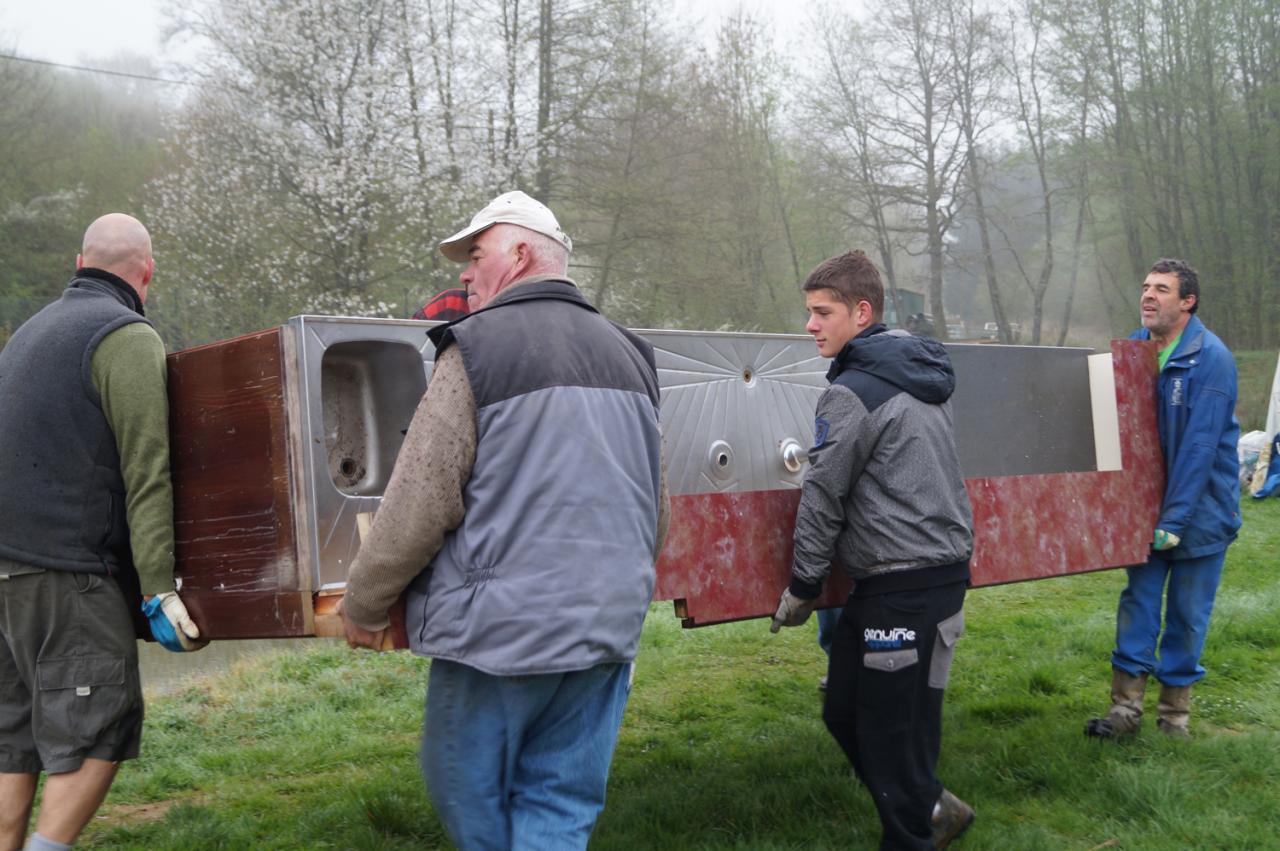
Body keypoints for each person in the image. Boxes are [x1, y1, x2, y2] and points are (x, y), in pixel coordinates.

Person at [338, 190, 668, 849]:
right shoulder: (633, 353)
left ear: (519, 255)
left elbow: (420, 498)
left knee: (465, 785)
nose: (465, 272)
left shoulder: (475, 348)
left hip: (502, 636)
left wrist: (364, 601)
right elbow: (655, 511)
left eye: (476, 253)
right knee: (560, 801)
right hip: (607, 626)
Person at [0, 214, 205, 851]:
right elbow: (148, 470)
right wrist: (158, 588)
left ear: (79, 261)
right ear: (148, 273)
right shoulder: (125, 335)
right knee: (101, 725)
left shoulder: (27, 335)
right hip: (65, 573)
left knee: (13, 740)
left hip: (4, 574)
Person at [770, 250, 976, 850]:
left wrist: (804, 587)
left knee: (888, 732)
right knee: (850, 711)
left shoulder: (852, 392)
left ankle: (914, 831)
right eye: (810, 312)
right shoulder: (921, 375)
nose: (810, 325)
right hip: (932, 577)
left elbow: (822, 493)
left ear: (862, 313)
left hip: (903, 583)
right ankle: (933, 807)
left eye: (822, 313)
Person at [1085, 259, 1240, 739]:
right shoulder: (1134, 349)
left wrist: (1174, 519)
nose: (1148, 295)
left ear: (1187, 301)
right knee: (1138, 604)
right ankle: (1124, 711)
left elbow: (1200, 447)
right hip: (1146, 510)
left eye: (1162, 289)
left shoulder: (1211, 357)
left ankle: (1174, 718)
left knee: (1187, 617)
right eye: (1146, 287)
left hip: (1201, 512)